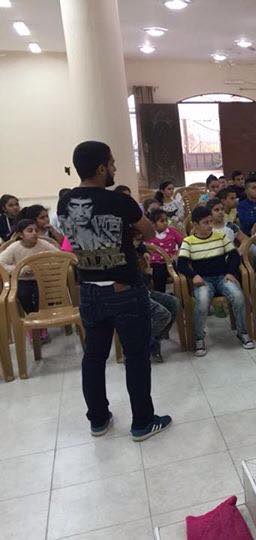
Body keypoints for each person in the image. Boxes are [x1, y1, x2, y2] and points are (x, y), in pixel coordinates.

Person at [58, 140, 171, 441]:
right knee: (136, 356)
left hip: (89, 290)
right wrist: (126, 231)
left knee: (94, 357)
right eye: (112, 163)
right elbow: (149, 231)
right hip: (124, 289)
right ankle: (142, 423)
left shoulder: (64, 202)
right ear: (100, 168)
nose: (115, 168)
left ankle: (98, 420)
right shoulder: (120, 202)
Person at [177, 205, 254, 356]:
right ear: (195, 225)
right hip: (204, 280)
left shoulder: (220, 236)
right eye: (205, 223)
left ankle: (243, 333)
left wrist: (231, 272)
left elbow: (234, 256)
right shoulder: (188, 241)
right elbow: (182, 264)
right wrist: (194, 275)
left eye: (210, 222)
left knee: (238, 296)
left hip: (222, 277)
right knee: (202, 301)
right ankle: (199, 338)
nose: (210, 225)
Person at [0, 219, 60, 343]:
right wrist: (19, 269)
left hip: (41, 279)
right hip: (22, 280)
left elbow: (58, 256)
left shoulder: (43, 244)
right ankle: (33, 324)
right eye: (29, 230)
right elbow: (1, 263)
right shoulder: (14, 247)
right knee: (23, 294)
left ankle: (41, 324)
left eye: (36, 230)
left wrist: (44, 267)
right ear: (21, 234)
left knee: (41, 295)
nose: (34, 233)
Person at [146, 208, 184, 291]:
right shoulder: (149, 234)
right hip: (156, 263)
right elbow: (145, 247)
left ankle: (180, 293)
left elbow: (183, 243)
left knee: (181, 272)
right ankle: (161, 295)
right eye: (162, 221)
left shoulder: (172, 231)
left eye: (166, 220)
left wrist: (177, 254)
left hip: (171, 261)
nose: (165, 223)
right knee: (158, 275)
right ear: (153, 224)